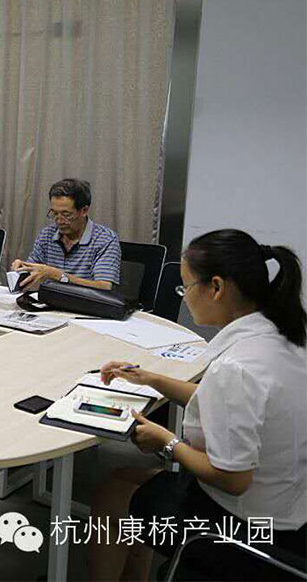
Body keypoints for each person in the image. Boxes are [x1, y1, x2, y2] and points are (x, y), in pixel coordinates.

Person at [89, 229, 306, 581]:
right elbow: (228, 406)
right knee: (124, 484)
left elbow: (233, 479)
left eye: (185, 287)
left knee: (115, 493)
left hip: (247, 529)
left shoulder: (236, 367)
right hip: (289, 508)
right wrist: (150, 378)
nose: (185, 297)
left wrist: (166, 442)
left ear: (216, 287)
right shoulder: (280, 337)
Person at [11, 178, 120, 290]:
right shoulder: (47, 234)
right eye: (54, 213)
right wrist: (22, 269)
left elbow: (104, 287)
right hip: (49, 299)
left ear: (84, 210)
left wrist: (58, 275)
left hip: (83, 300)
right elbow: (33, 271)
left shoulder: (105, 240)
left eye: (66, 214)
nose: (59, 221)